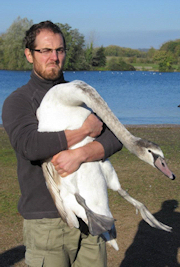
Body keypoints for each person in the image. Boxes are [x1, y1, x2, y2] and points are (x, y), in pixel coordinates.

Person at [2, 21, 122, 267]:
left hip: (93, 213)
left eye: (59, 50)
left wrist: (82, 154)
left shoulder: (79, 95)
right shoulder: (19, 101)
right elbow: (30, 146)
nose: (54, 57)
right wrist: (84, 130)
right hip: (47, 221)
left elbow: (115, 136)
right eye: (45, 51)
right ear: (29, 54)